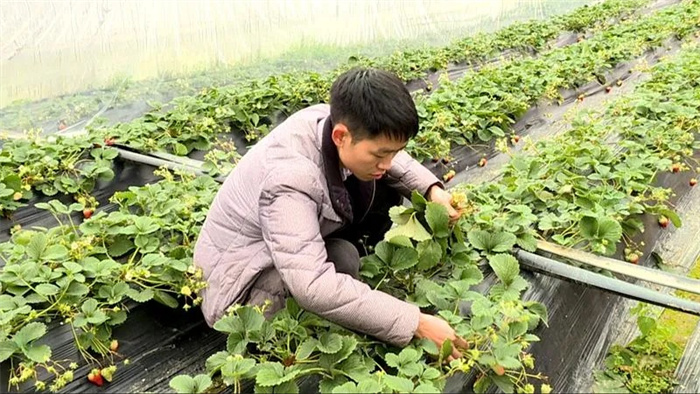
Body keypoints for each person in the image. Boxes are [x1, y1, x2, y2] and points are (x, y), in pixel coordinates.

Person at [194, 67, 467, 357]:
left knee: (378, 197)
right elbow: (312, 285)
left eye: (394, 152)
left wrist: (431, 190)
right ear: (340, 136)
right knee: (341, 262)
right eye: (379, 155)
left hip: (267, 250)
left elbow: (388, 154)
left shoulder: (330, 118)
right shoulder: (289, 180)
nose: (387, 162)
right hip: (237, 291)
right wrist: (416, 322)